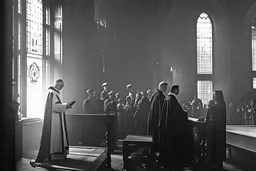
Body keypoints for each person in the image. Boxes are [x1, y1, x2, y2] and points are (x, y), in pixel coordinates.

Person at [30, 79, 73, 166]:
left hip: (57, 119)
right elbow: (53, 107)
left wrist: (65, 105)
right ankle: (53, 156)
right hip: (54, 121)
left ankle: (58, 155)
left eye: (62, 86)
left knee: (57, 138)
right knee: (54, 138)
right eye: (60, 85)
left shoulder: (55, 92)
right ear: (56, 84)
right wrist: (66, 106)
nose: (61, 88)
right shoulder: (52, 92)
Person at [158, 85, 190, 170]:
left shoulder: (167, 99)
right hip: (173, 130)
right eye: (178, 90)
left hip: (167, 128)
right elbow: (178, 114)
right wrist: (185, 113)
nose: (179, 91)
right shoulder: (172, 100)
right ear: (175, 90)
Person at [206, 90, 226, 170]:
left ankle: (217, 164)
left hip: (218, 130)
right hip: (216, 130)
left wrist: (210, 105)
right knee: (215, 147)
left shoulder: (220, 104)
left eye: (214, 95)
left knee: (218, 147)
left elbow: (214, 110)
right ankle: (214, 162)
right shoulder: (218, 104)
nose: (213, 97)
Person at [147, 81, 167, 152]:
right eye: (165, 87)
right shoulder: (159, 96)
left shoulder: (156, 95)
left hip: (153, 120)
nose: (166, 89)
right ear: (161, 87)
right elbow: (160, 110)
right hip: (156, 121)